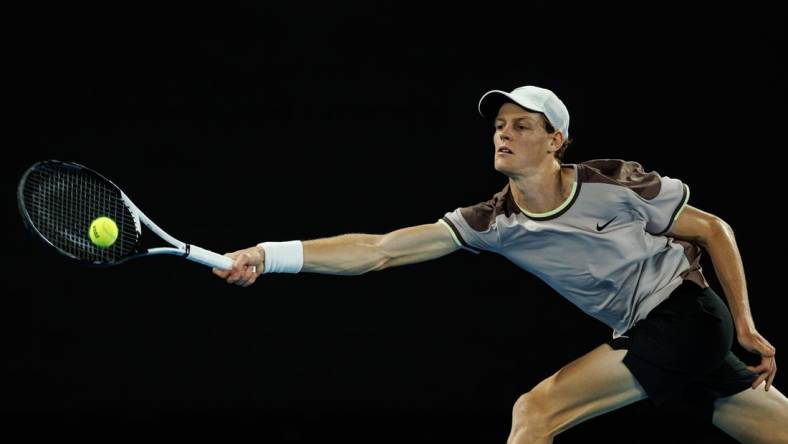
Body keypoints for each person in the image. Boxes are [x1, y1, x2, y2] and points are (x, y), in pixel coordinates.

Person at [212, 85, 786, 443]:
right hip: (654, 331)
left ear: (555, 139)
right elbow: (378, 251)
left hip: (686, 316)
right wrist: (269, 255)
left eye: (521, 126)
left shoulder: (611, 183)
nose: (503, 134)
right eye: (498, 126)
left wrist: (743, 323)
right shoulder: (494, 222)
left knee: (535, 412)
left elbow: (713, 229)